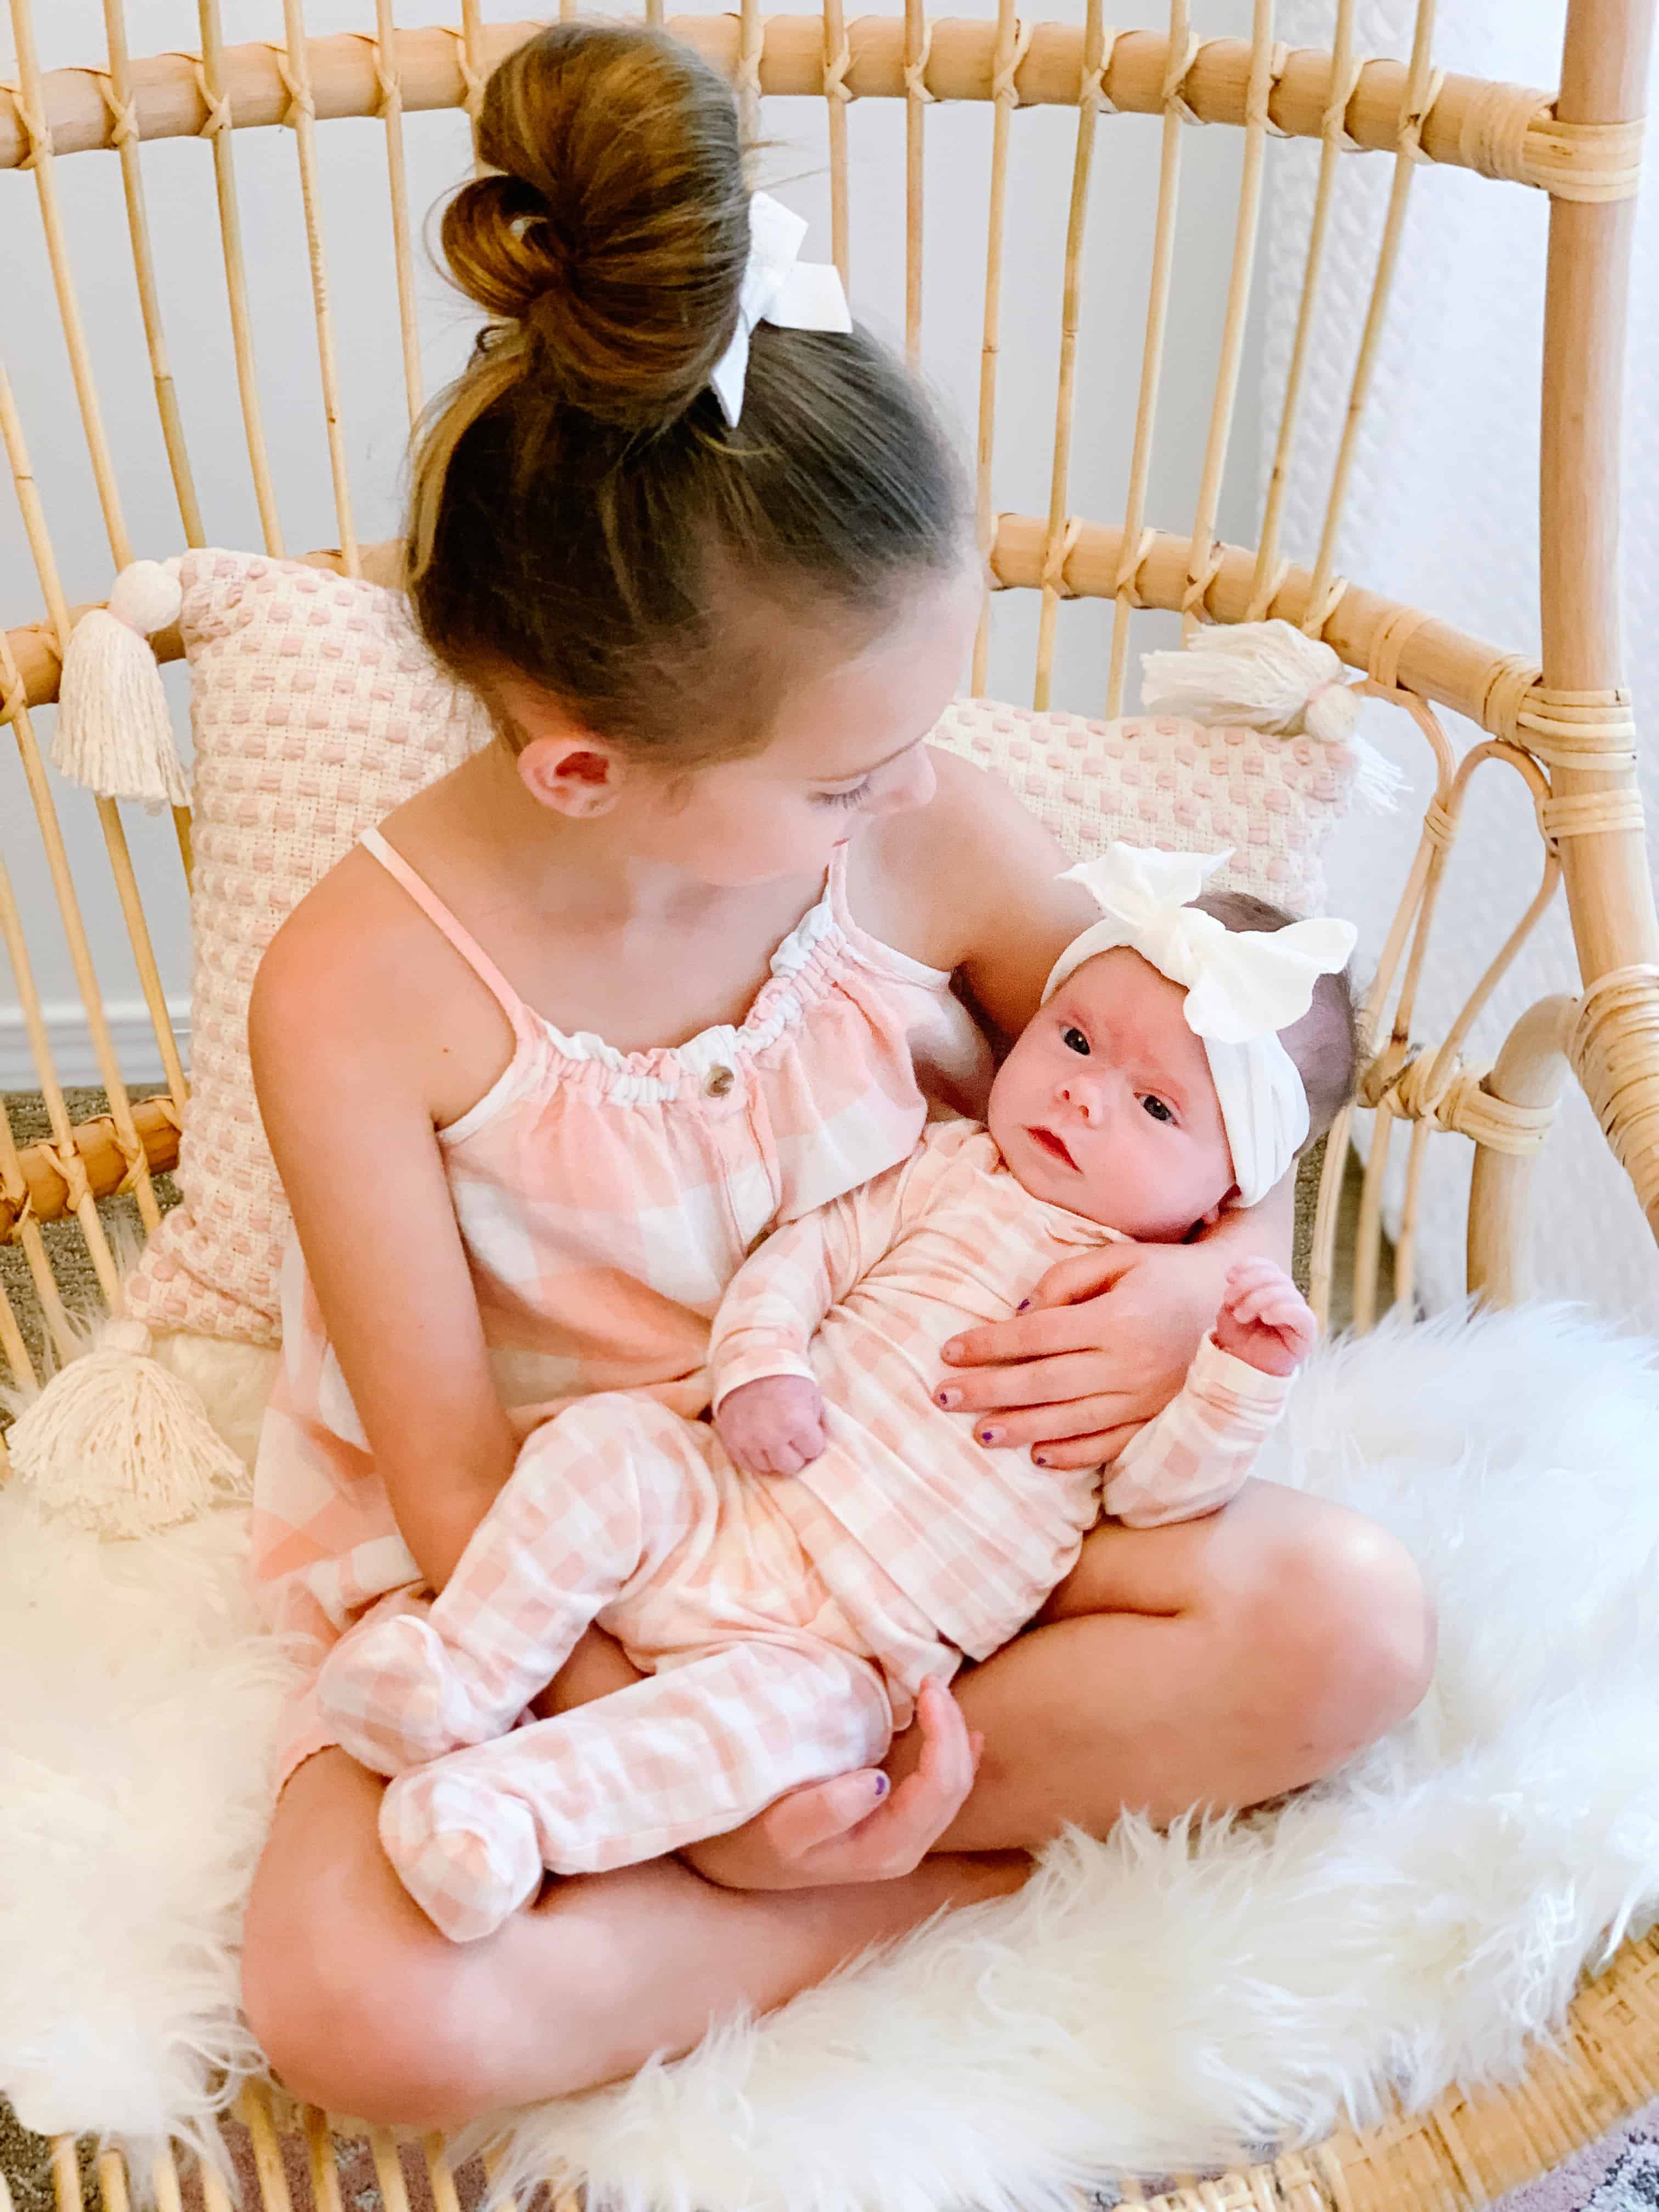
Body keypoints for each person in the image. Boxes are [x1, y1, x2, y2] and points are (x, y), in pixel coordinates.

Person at [239, 19, 1435, 2129]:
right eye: (852, 771)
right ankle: (872, 1881)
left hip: (949, 1509)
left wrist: (1195, 1267)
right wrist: (707, 1777)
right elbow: (449, 1488)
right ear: (586, 772)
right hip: (615, 1574)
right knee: (361, 2007)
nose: (918, 792)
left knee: (1344, 1620)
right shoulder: (361, 993)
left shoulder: (913, 831)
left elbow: (1199, 1054)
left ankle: (861, 1859)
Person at [315, 848, 1359, 1944]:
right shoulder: (947, 1172)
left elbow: (1153, 1495)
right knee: (610, 1450)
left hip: (855, 1648)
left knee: (792, 1737)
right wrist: (762, 1366)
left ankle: (509, 1811)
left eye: (1154, 1107)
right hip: (738, 1495)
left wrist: (1239, 1378)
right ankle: (463, 1675)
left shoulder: (1182, 1328)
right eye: (1075, 1039)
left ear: (1234, 1186)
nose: (1085, 1096)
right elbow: (803, 1261)